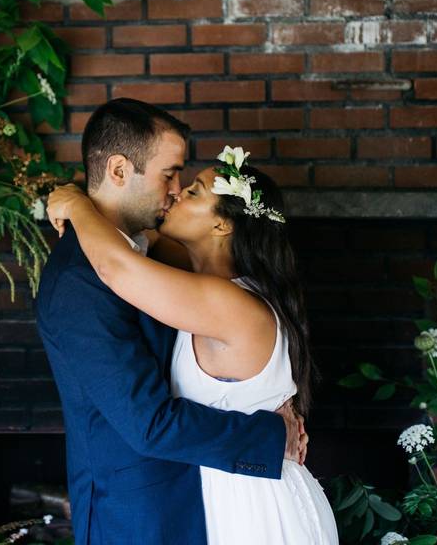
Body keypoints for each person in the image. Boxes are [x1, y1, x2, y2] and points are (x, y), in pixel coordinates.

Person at [34, 98, 308, 545]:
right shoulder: (80, 280)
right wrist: (269, 436)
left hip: (206, 504)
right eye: (170, 173)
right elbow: (148, 423)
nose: (176, 190)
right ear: (120, 171)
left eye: (187, 182)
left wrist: (79, 202)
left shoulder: (150, 256)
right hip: (136, 519)